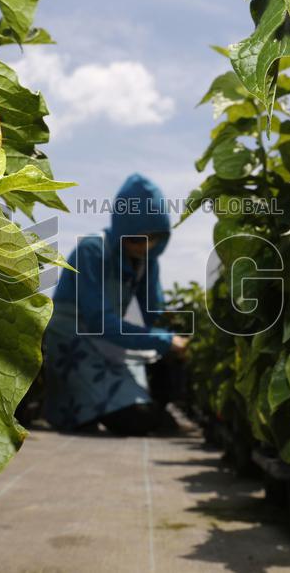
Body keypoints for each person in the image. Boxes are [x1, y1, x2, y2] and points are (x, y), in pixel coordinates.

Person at [43, 174, 188, 436]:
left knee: (150, 415)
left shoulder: (145, 260)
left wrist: (171, 338)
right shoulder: (92, 250)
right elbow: (99, 321)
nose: (144, 246)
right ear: (122, 231)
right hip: (74, 338)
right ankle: (66, 410)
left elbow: (153, 311)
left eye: (151, 238)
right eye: (136, 238)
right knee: (133, 419)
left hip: (109, 339)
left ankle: (102, 411)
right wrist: (163, 340)